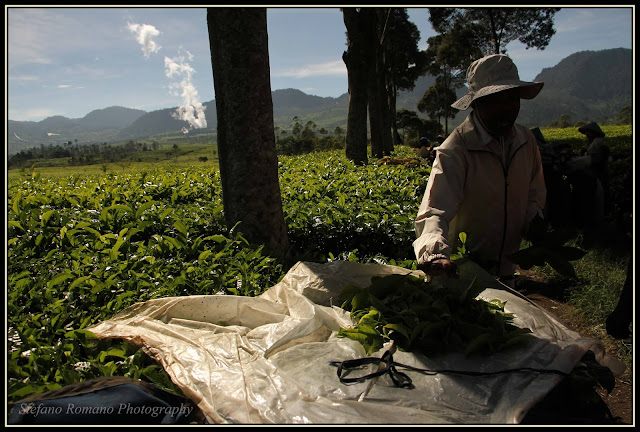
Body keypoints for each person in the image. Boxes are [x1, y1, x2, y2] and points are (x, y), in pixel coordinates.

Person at [413, 54, 547, 281]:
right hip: (462, 271)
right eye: (497, 100)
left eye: (513, 98)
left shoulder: (525, 141)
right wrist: (436, 254)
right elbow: (435, 210)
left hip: (507, 269)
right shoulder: (457, 149)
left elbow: (534, 195)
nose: (508, 108)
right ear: (476, 103)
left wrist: (533, 224)